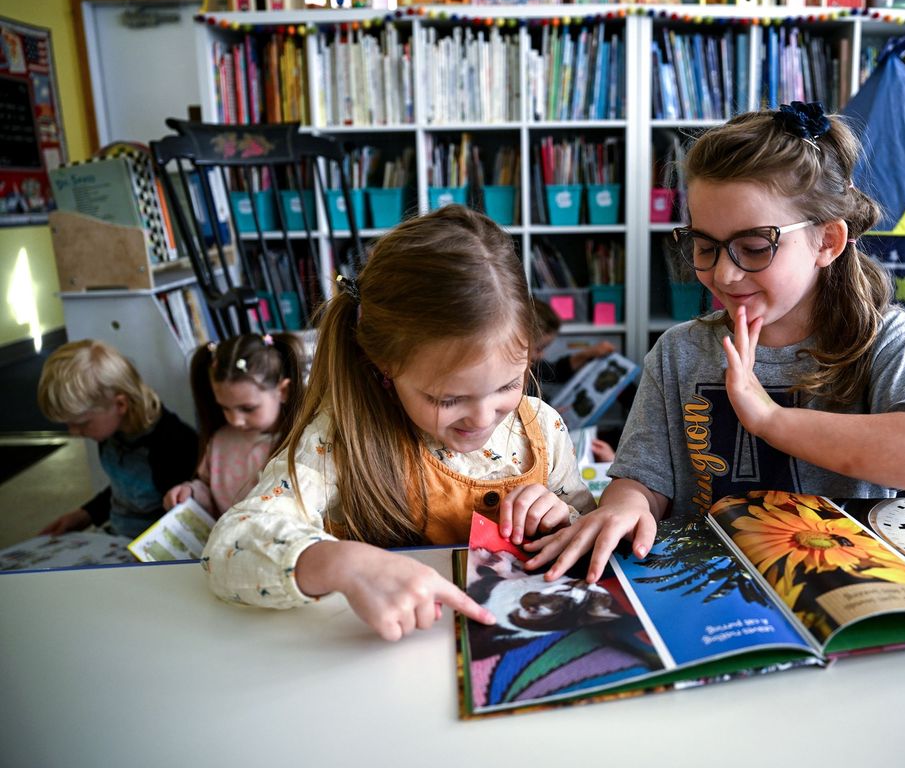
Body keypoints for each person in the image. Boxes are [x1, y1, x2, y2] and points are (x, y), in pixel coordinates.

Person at [525, 101, 905, 583]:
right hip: (713, 585)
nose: (724, 273)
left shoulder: (882, 340)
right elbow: (644, 480)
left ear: (828, 242)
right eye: (705, 245)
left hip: (852, 580)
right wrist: (625, 506)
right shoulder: (678, 353)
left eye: (755, 247)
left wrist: (770, 419)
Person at [202, 205, 595, 641]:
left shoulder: (542, 428)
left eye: (508, 384)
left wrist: (566, 521)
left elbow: (589, 525)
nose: (484, 417)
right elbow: (228, 548)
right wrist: (343, 564)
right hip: (385, 656)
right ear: (385, 364)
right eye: (449, 398)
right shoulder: (338, 441)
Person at [36, 339, 198, 539]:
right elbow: (123, 492)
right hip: (117, 537)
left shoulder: (174, 443)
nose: (74, 432)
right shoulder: (110, 432)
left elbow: (184, 520)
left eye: (82, 423)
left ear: (120, 404)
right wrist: (85, 515)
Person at [162, 333, 305, 518]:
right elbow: (208, 487)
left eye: (247, 408)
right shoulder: (220, 440)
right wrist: (191, 493)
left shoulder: (303, 443)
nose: (235, 420)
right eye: (224, 408)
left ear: (283, 391)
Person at [530, 298, 618, 462]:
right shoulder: (516, 375)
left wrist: (587, 354)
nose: (541, 355)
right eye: (539, 348)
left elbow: (555, 371)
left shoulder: (531, 364)